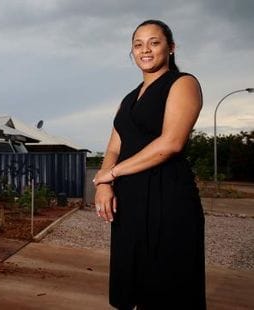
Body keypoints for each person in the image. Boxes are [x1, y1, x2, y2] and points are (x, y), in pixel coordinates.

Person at [94, 20, 205, 309]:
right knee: (132, 285)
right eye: (138, 44)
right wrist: (104, 184)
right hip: (129, 201)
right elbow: (113, 147)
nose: (145, 50)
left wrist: (112, 173)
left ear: (170, 47)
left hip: (168, 198)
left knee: (168, 288)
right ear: (132, 52)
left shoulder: (183, 83)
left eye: (154, 42)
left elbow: (171, 143)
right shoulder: (128, 99)